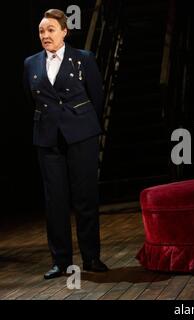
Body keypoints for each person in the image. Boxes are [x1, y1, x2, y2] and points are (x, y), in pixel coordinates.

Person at [23, 9, 108, 279]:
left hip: (81, 135)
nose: (45, 35)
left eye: (50, 30)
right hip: (48, 139)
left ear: (64, 31)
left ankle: (91, 257)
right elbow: (30, 99)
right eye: (41, 31)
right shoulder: (31, 63)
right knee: (55, 201)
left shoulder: (83, 59)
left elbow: (97, 96)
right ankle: (60, 261)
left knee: (85, 198)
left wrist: (85, 126)